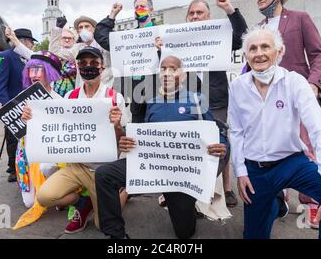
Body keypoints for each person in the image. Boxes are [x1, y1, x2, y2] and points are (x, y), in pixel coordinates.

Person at [229, 27, 321, 239]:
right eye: (253, 48)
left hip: (291, 162)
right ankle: (273, 205)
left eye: (265, 47)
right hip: (256, 170)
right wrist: (240, 171)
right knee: (253, 235)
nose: (259, 53)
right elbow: (236, 131)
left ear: (279, 52)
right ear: (246, 56)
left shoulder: (294, 82)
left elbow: (320, 130)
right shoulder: (237, 86)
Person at [95, 55, 230, 239]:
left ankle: (187, 207)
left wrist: (221, 145)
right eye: (163, 69)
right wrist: (125, 138)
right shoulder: (152, 102)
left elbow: (216, 131)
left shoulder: (196, 101)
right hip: (153, 167)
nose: (167, 73)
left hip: (182, 174)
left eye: (173, 69)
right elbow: (143, 137)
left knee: (184, 233)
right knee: (104, 175)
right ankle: (115, 235)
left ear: (182, 75)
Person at [22, 47, 127, 234]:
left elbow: (123, 142)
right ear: (77, 67)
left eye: (94, 63)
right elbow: (54, 126)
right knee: (44, 197)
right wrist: (32, 117)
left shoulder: (114, 98)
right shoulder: (70, 97)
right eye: (83, 63)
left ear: (102, 68)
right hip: (76, 166)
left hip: (102, 172)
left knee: (103, 225)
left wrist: (117, 126)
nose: (88, 67)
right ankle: (82, 202)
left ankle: (124, 191)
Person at [155, 0, 248, 208]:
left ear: (209, 16)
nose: (195, 16)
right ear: (187, 18)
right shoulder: (176, 40)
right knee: (190, 143)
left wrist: (230, 10)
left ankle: (226, 188)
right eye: (192, 13)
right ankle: (186, 189)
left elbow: (242, 36)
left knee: (220, 141)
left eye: (200, 13)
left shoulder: (219, 36)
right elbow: (167, 67)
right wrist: (160, 50)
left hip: (216, 100)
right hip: (187, 101)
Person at [255, 0, 321, 222]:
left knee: (306, 150)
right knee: (276, 149)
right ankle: (280, 201)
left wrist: (314, 84)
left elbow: (319, 54)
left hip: (299, 96)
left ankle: (313, 203)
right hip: (269, 100)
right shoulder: (259, 28)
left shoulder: (299, 19)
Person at [0, 51, 63, 229]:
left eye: (38, 69)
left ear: (49, 72)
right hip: (27, 154)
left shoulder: (60, 100)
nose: (33, 75)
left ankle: (64, 191)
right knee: (29, 202)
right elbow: (12, 121)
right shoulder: (25, 97)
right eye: (30, 70)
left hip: (50, 155)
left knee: (47, 169)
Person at [94, 0, 159, 123]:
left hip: (157, 92)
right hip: (135, 93)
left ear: (151, 10)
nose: (139, 9)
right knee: (138, 131)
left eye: (143, 6)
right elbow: (101, 35)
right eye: (136, 7)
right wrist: (113, 14)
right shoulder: (127, 38)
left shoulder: (161, 34)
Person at [0, 28, 37, 182]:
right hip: (13, 106)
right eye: (31, 41)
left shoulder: (29, 59)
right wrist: (9, 108)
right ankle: (13, 168)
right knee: (13, 137)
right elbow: (0, 88)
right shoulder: (5, 57)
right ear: (23, 41)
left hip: (31, 106)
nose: (32, 45)